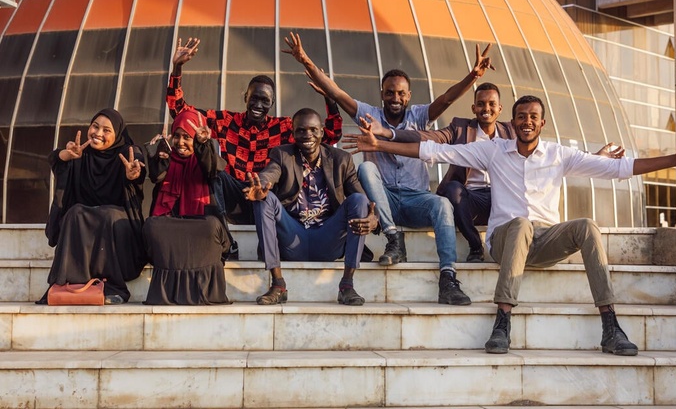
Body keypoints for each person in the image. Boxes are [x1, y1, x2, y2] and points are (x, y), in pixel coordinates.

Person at [343, 94, 676, 355]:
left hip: (545, 242)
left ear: (542, 123)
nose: (527, 121)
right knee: (519, 224)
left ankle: (610, 325)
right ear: (512, 123)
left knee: (588, 226)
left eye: (533, 116)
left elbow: (618, 169)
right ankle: (502, 322)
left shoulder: (559, 155)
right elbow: (433, 152)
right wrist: (383, 141)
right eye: (521, 117)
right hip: (504, 239)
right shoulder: (494, 150)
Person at [283, 32, 494, 305]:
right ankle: (394, 239)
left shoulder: (419, 116)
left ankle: (448, 278)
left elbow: (446, 99)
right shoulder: (369, 114)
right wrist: (305, 61)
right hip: (385, 203)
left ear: (409, 96)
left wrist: (472, 76)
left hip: (417, 199)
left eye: (400, 93)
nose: (395, 97)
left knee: (442, 204)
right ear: (382, 94)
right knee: (366, 170)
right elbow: (337, 92)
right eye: (390, 92)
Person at [366, 82, 623, 263]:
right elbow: (426, 139)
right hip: (473, 200)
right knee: (453, 191)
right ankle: (475, 246)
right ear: (474, 108)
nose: (486, 108)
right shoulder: (459, 129)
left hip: (504, 202)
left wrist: (597, 158)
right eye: (480, 104)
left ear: (500, 111)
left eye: (491, 104)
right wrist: (388, 135)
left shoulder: (516, 134)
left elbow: (556, 162)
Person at [166, 37, 343, 227]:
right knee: (215, 172)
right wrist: (177, 68)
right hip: (234, 198)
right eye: (254, 98)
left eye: (265, 101)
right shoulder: (226, 121)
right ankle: (221, 233)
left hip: (266, 198)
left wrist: (330, 98)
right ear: (246, 97)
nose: (258, 105)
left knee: (286, 173)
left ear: (272, 104)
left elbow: (331, 134)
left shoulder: (283, 127)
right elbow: (181, 113)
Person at [243, 108, 378, 306]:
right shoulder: (282, 154)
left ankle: (347, 285)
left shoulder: (341, 159)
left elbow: (363, 199)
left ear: (322, 132)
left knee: (358, 200)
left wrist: (373, 217)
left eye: (313, 130)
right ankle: (278, 284)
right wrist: (261, 185)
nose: (308, 135)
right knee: (264, 199)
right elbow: (270, 172)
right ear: (293, 133)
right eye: (301, 130)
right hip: (292, 237)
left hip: (327, 238)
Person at [41, 109, 147, 305]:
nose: (98, 133)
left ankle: (111, 285)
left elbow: (137, 164)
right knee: (74, 213)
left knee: (108, 215)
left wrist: (134, 172)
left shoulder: (126, 152)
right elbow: (55, 159)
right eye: (95, 126)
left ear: (117, 135)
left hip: (118, 223)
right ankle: (70, 285)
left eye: (106, 130)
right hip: (84, 217)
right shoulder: (80, 153)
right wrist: (67, 155)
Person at [142, 109, 231, 305]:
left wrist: (203, 144)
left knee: (211, 225)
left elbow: (213, 167)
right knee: (151, 225)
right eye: (177, 136)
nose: (181, 143)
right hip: (174, 235)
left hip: (199, 232)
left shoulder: (206, 156)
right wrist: (158, 158)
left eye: (187, 137)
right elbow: (156, 177)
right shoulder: (167, 157)